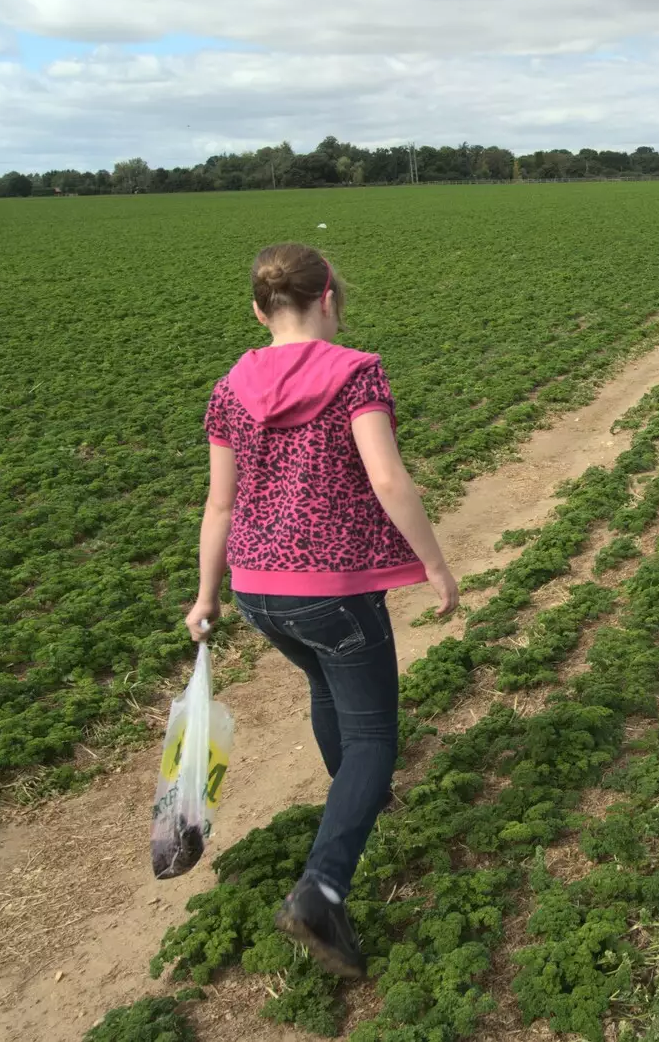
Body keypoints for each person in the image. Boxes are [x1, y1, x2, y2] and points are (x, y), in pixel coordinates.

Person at [185, 243, 458, 977]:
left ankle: (358, 804)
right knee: (374, 736)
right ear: (329, 295)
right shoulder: (355, 373)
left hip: (258, 592)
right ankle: (324, 886)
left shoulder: (230, 388)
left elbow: (220, 503)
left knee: (326, 689)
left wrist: (207, 595)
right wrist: (436, 563)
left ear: (258, 309)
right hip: (332, 590)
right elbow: (388, 477)